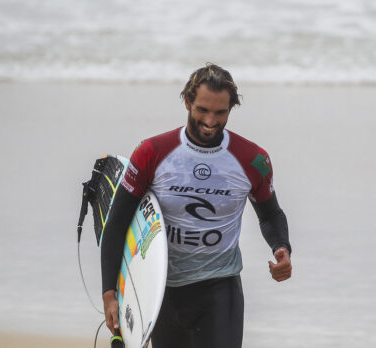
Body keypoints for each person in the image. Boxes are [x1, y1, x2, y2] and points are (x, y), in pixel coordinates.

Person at [100, 63, 292, 348]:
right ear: (188, 101)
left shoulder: (252, 160)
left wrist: (281, 247)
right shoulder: (152, 153)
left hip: (219, 288)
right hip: (162, 289)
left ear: (231, 109)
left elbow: (270, 214)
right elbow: (117, 222)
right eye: (202, 109)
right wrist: (109, 292)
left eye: (220, 112)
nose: (211, 121)